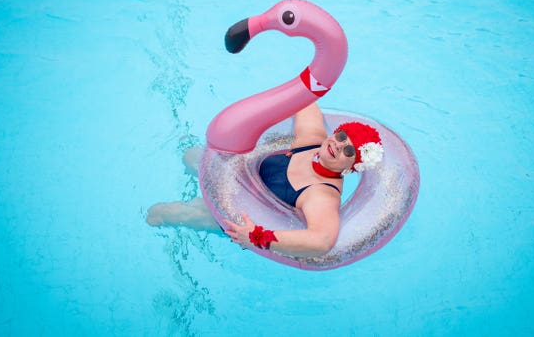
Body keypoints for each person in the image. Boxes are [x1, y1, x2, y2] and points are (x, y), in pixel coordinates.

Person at [146, 102, 383, 257]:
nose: (338, 146)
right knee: (189, 156)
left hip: (238, 215)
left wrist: (257, 237)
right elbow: (305, 100)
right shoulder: (312, 139)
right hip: (237, 179)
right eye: (342, 136)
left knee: (159, 213)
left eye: (349, 151)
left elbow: (322, 240)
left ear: (352, 166)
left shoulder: (321, 195)